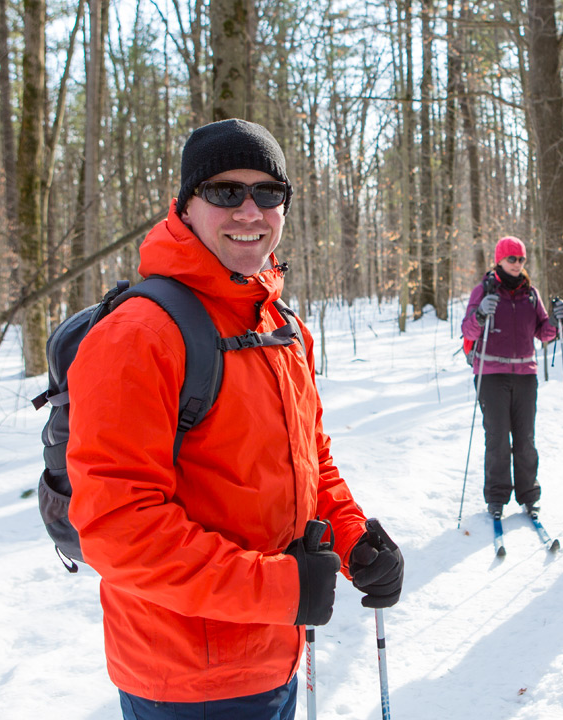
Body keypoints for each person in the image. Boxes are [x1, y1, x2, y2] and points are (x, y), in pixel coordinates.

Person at [66, 118, 404, 719]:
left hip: (275, 652)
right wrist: (282, 589)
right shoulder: (139, 336)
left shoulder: (283, 328)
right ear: (187, 206)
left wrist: (353, 541)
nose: (250, 211)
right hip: (186, 680)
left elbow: (310, 460)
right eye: (225, 192)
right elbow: (118, 529)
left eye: (268, 193)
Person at [460, 236, 563, 520]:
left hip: (525, 375)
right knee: (497, 438)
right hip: (491, 375)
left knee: (525, 438)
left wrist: (557, 321)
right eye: (512, 259)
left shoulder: (530, 294)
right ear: (499, 260)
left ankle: (529, 495)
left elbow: (543, 333)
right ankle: (496, 496)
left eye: (521, 259)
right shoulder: (482, 292)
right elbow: (468, 331)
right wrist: (481, 314)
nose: (518, 264)